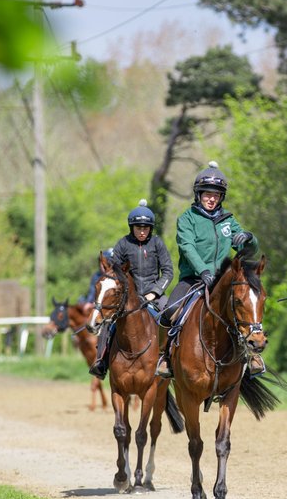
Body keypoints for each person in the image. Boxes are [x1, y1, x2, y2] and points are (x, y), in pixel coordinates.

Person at [156, 161, 261, 378]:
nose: (211, 199)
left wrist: (249, 239)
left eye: (216, 195)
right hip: (193, 279)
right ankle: (165, 357)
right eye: (207, 194)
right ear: (199, 194)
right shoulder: (187, 219)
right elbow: (187, 247)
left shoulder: (228, 220)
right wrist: (204, 271)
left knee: (247, 306)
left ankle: (252, 357)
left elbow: (249, 249)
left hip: (224, 281)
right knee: (168, 313)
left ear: (221, 197)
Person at [88, 202, 173, 378]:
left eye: (146, 228)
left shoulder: (157, 244)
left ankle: (169, 361)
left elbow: (168, 272)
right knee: (107, 321)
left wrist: (154, 292)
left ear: (150, 228)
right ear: (131, 227)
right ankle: (101, 361)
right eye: (138, 228)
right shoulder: (123, 244)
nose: (142, 231)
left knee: (172, 316)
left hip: (155, 295)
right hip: (128, 298)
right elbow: (113, 273)